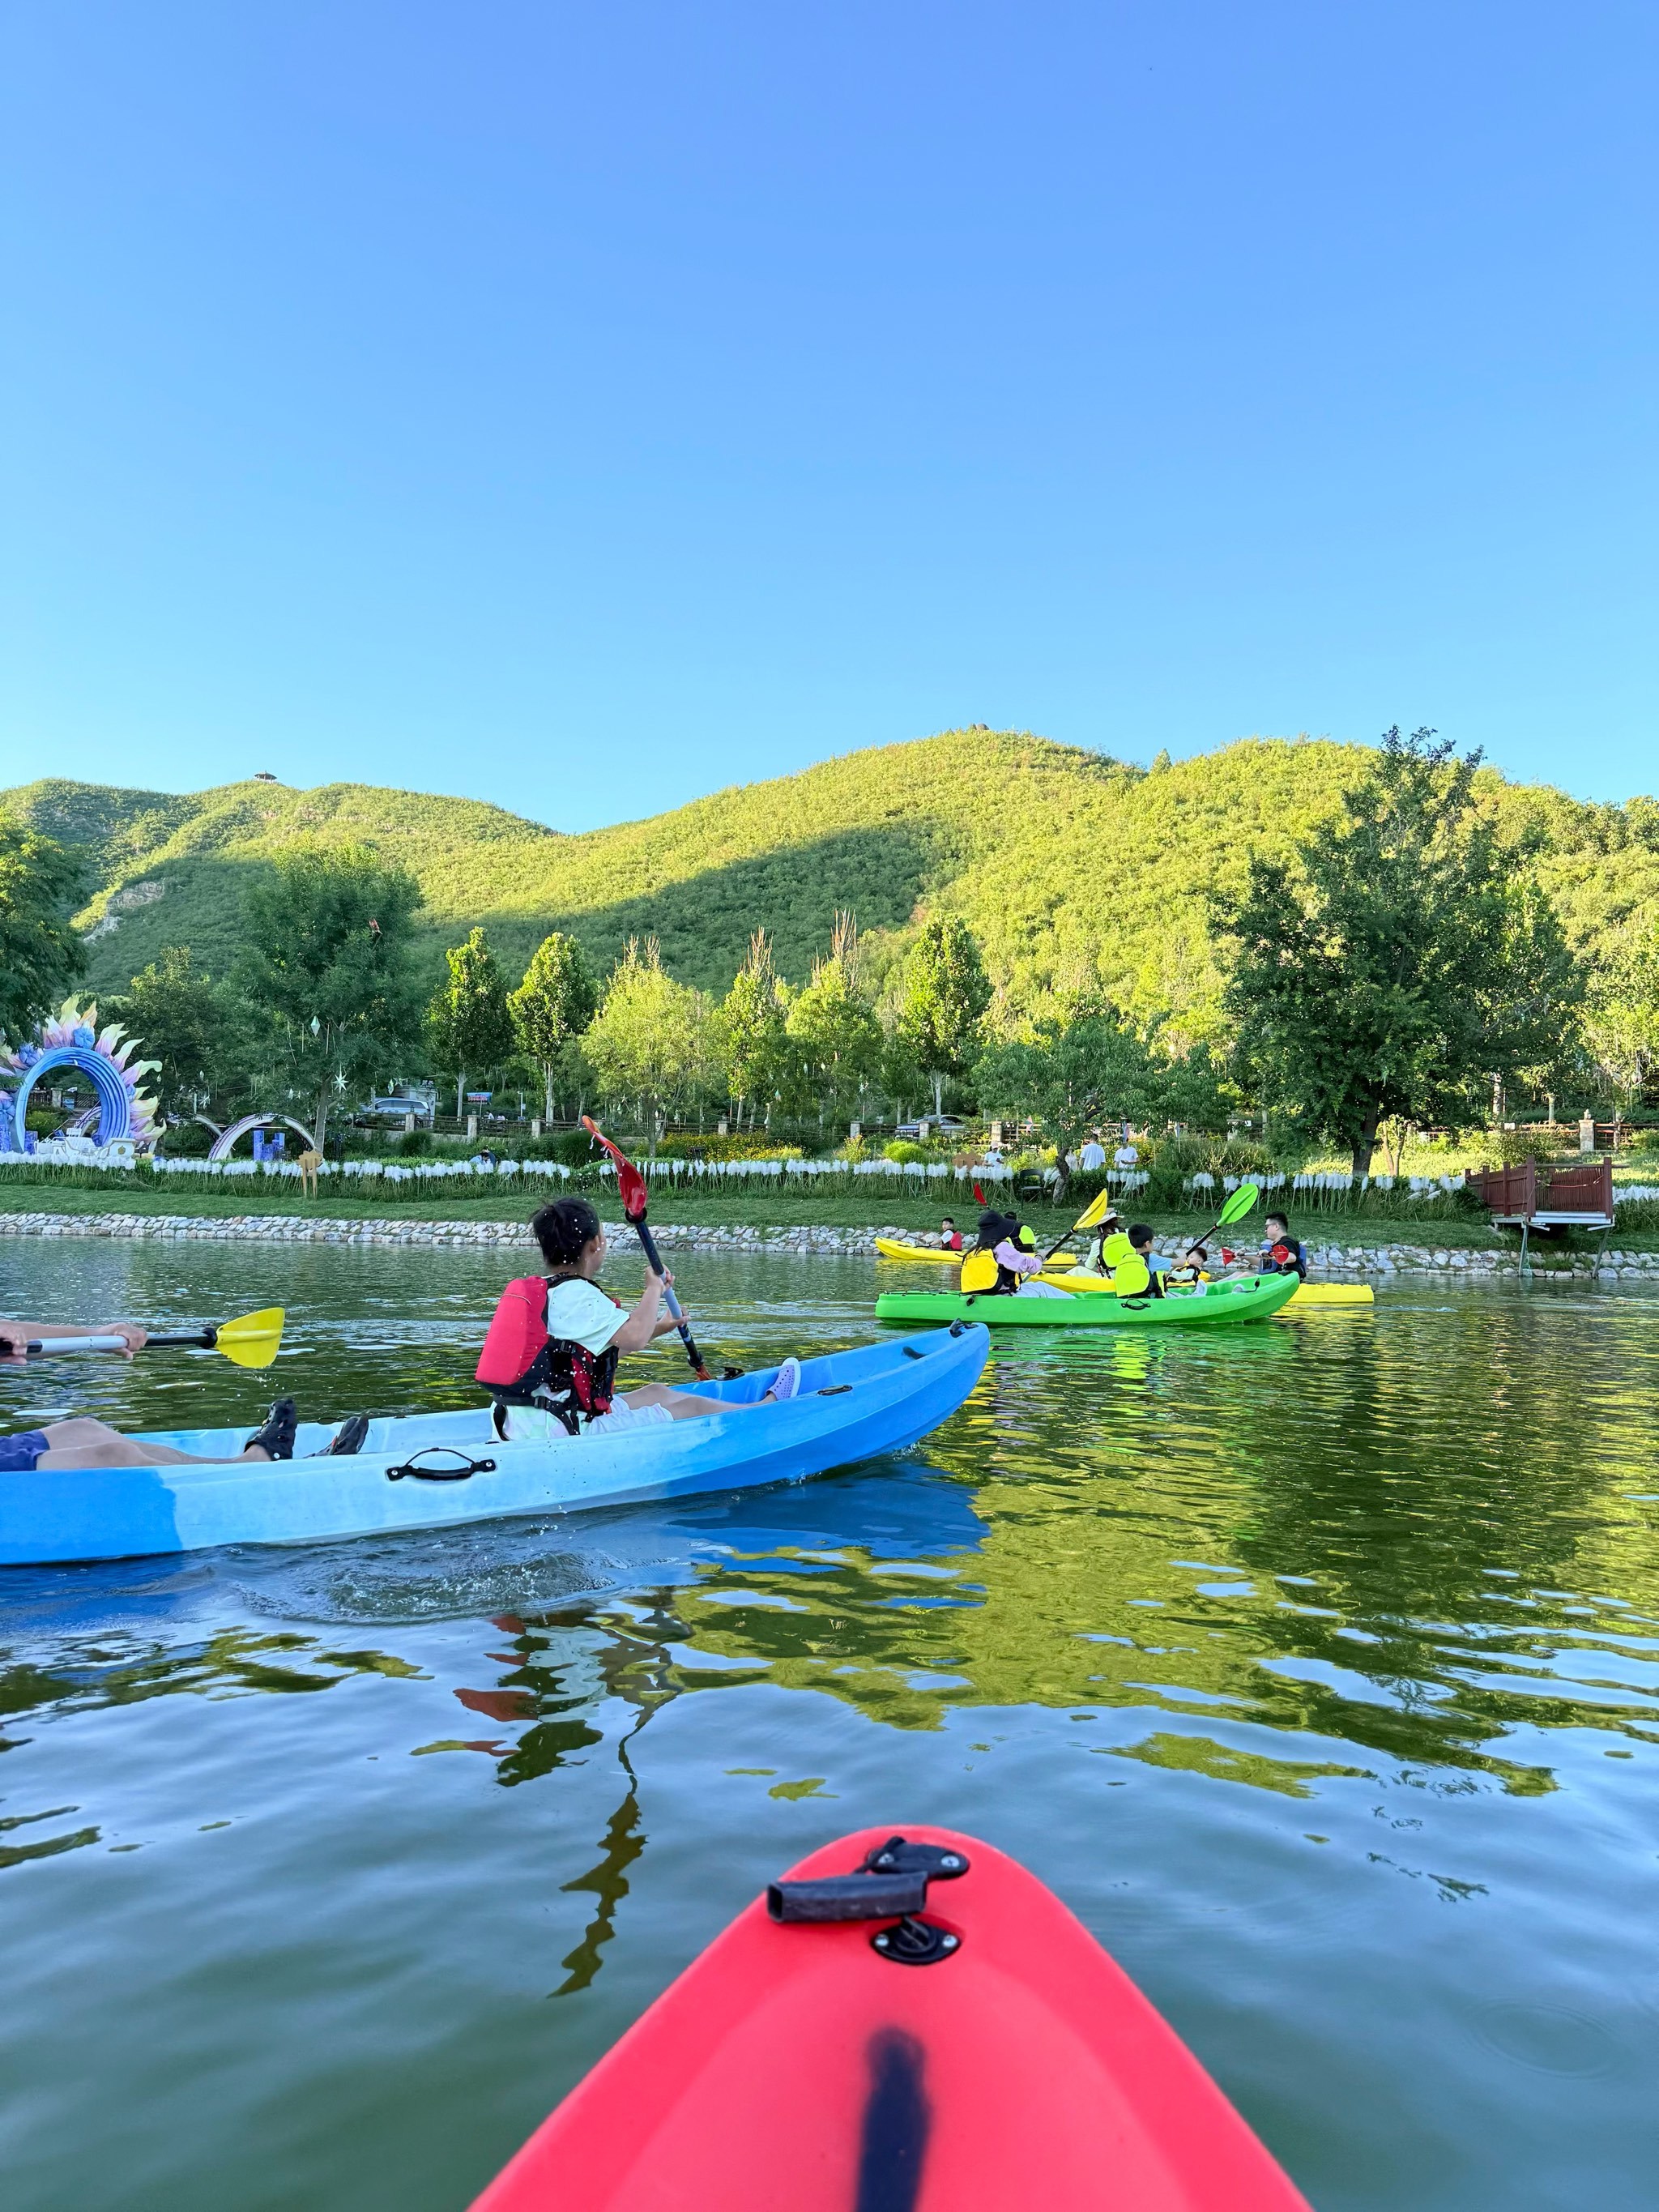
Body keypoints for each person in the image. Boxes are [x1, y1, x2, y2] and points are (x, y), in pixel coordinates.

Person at [478, 1197, 803, 1442]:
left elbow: (592, 1352)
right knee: (688, 1409)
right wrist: (653, 1289)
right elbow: (633, 1337)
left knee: (656, 1392)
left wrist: (660, 1326)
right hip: (559, 1430)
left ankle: (748, 1409)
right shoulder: (578, 1294)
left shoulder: (550, 1292)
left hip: (527, 1420)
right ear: (596, 1245)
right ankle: (764, 1412)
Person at [1256, 1214, 1307, 1278]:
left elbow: (1292, 1258)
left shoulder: (1287, 1242)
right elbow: (1263, 1264)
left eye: (1267, 1227)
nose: (1265, 1230)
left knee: (1246, 1275)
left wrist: (1269, 1255)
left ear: (1276, 1226)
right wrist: (1244, 1256)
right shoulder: (1276, 1244)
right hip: (1277, 1278)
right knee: (1243, 1274)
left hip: (1288, 1279)